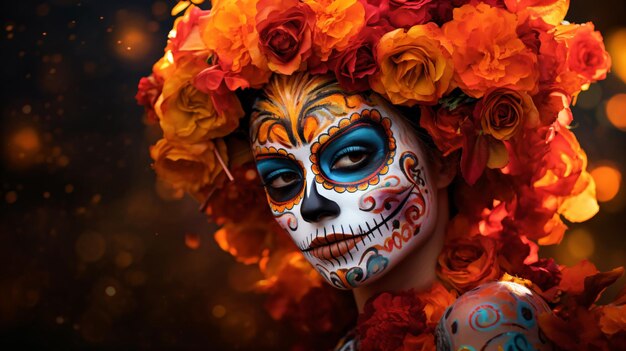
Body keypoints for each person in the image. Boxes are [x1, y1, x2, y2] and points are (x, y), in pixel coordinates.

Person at [137, 0, 625, 349]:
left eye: (350, 158)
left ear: (442, 159)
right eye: (283, 180)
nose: (311, 204)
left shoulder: (486, 319)